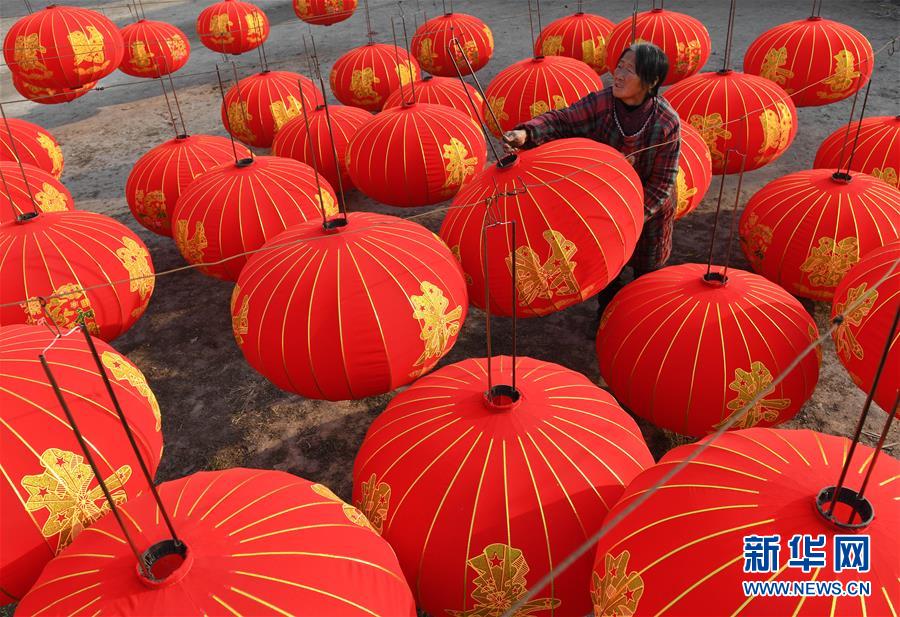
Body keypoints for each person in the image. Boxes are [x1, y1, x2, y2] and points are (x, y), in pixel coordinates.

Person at [503, 42, 681, 315]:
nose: (618, 75)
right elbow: (563, 120)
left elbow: (663, 183)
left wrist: (631, 216)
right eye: (619, 66)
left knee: (647, 272)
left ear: (652, 80)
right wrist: (528, 133)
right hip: (605, 207)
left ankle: (642, 317)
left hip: (648, 210)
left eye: (629, 70)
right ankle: (608, 314)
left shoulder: (666, 122)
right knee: (608, 268)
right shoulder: (602, 102)